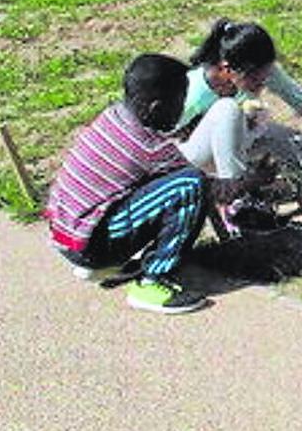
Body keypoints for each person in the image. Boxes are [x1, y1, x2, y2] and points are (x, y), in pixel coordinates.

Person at [45, 54, 210, 314]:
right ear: (154, 108)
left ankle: (108, 267)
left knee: (158, 187)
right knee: (191, 187)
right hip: (92, 246)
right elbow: (192, 176)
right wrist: (250, 181)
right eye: (179, 102)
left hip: (67, 233)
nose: (182, 109)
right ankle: (151, 282)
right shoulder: (149, 147)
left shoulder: (114, 116)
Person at [176, 19, 302, 231]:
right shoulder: (194, 91)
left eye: (266, 78)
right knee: (228, 110)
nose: (262, 85)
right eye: (256, 82)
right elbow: (169, 147)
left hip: (243, 146)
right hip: (198, 160)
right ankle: (237, 205)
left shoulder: (260, 70)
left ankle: (256, 192)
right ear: (227, 70)